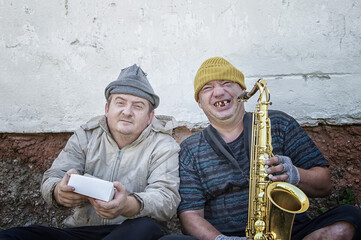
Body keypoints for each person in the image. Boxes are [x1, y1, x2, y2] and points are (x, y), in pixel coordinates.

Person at [161, 57, 361, 240]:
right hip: (229, 237)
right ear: (199, 103)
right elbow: (190, 215)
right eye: (207, 88)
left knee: (348, 219)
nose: (219, 92)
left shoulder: (279, 123)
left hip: (291, 233)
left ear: (243, 92)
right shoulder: (190, 149)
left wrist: (295, 175)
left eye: (227, 83)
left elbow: (325, 184)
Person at [0, 64, 181, 240]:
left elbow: (166, 198)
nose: (127, 112)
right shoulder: (86, 136)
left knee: (145, 226)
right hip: (82, 230)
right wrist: (58, 191)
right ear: (107, 109)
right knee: (16, 235)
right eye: (120, 103)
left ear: (150, 117)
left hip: (132, 230)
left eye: (138, 106)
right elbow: (53, 176)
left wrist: (127, 204)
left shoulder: (163, 145)